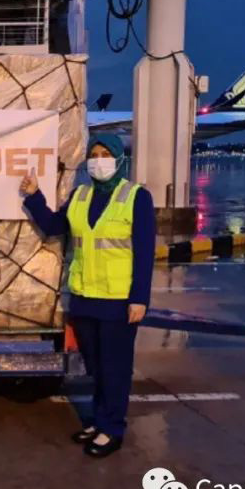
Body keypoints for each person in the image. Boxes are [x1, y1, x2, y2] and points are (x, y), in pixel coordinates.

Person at [19, 134, 155, 458]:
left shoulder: (136, 197)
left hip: (118, 300)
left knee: (115, 368)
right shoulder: (80, 195)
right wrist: (34, 196)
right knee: (95, 366)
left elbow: (145, 252)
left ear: (119, 159)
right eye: (94, 154)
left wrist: (139, 298)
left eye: (105, 153)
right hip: (84, 297)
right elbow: (54, 226)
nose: (98, 160)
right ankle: (99, 420)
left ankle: (113, 429)